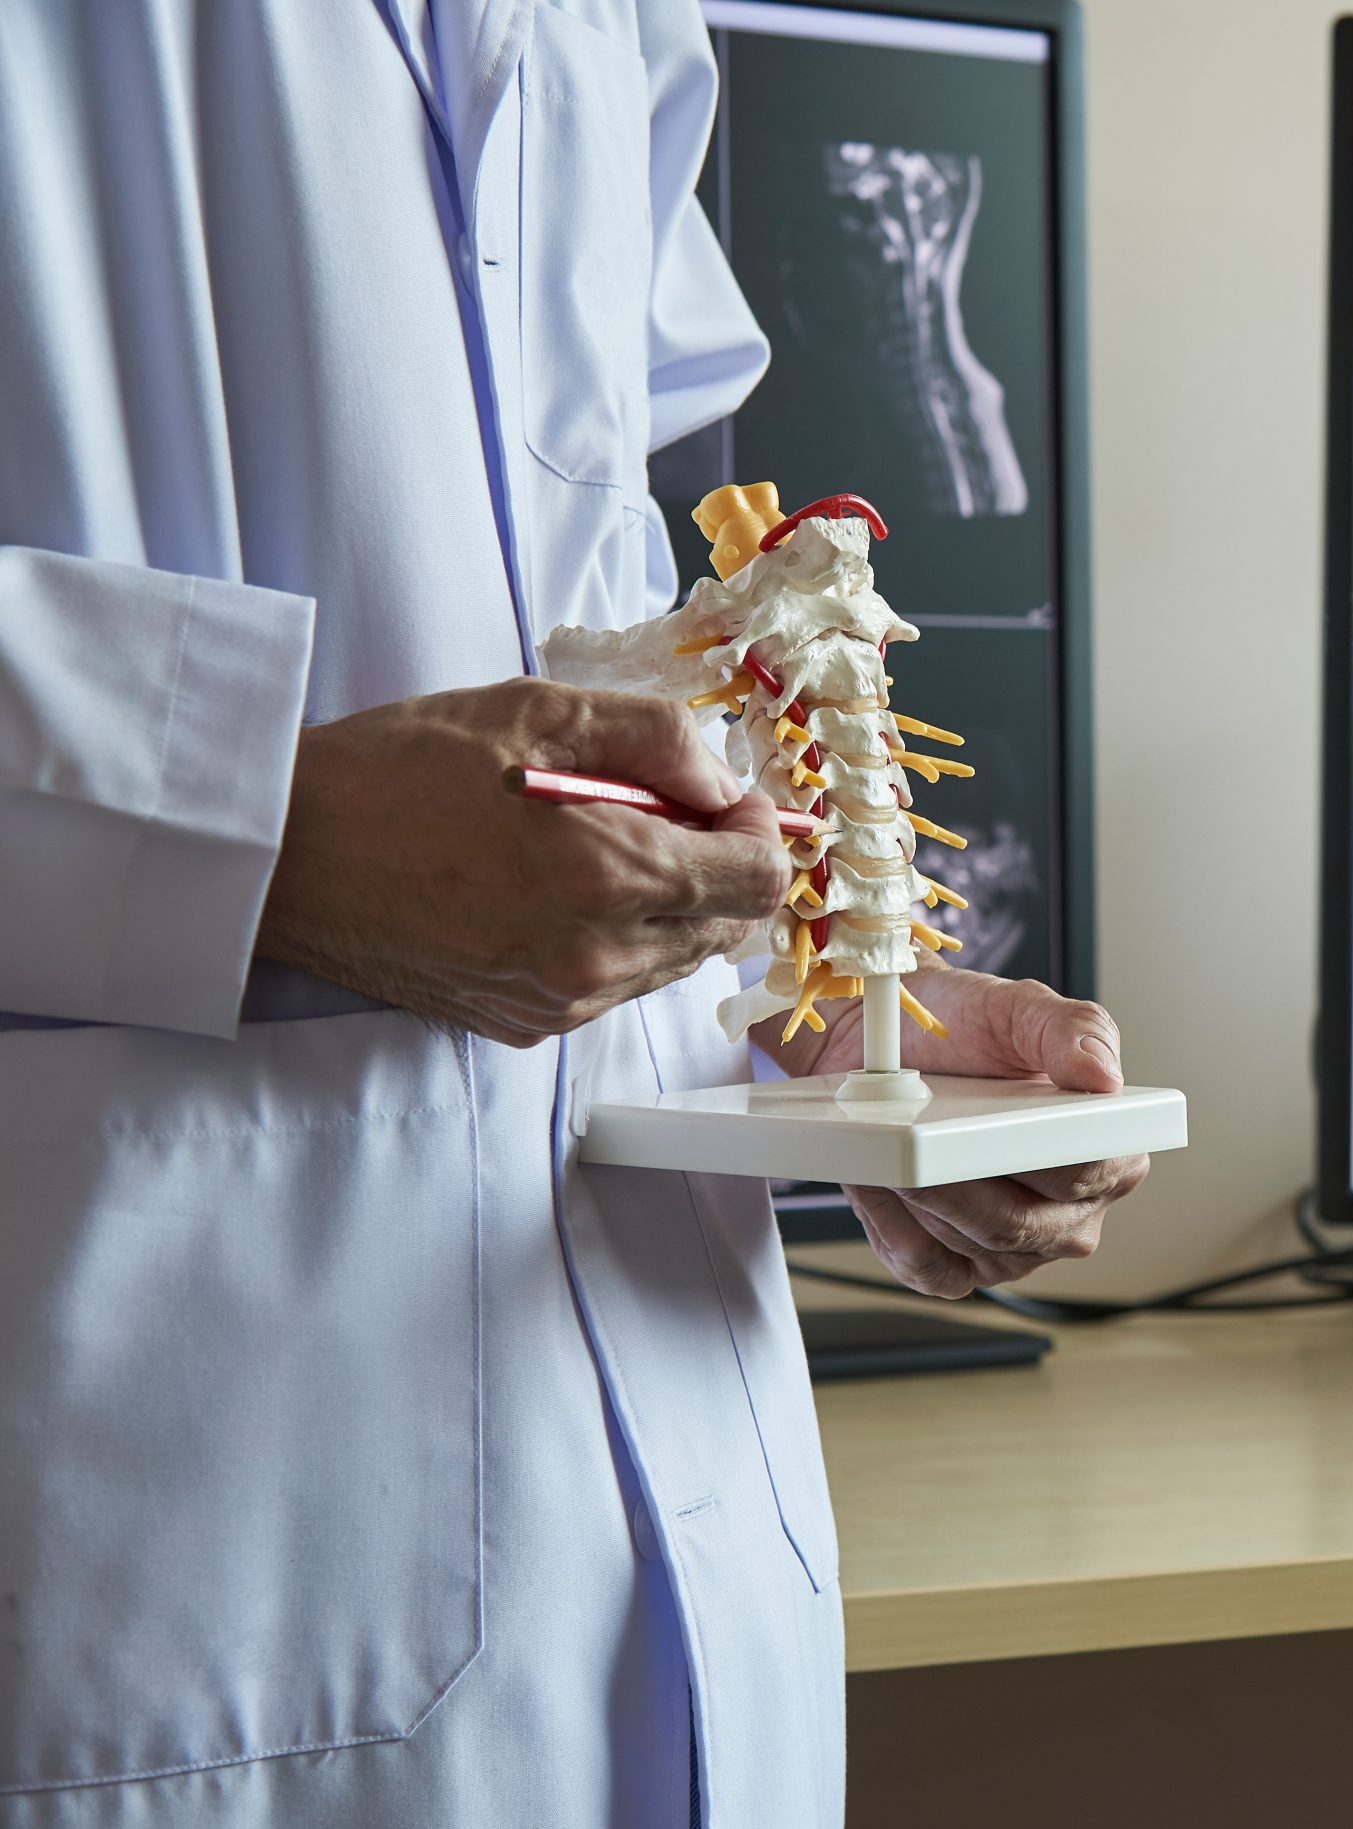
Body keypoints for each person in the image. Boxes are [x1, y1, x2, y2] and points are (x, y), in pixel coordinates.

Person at [0, 4, 1143, 1823]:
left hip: (667, 1547)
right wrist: (256, 829)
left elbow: (586, 587)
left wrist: (823, 1002)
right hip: (164, 1571)